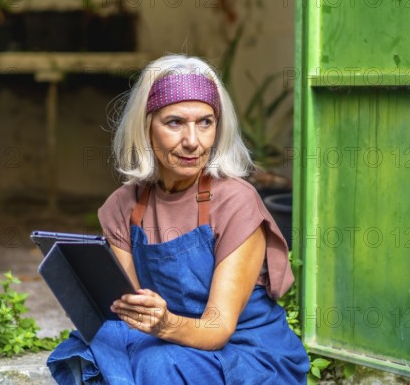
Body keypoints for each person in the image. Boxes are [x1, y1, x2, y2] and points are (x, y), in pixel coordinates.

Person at [47, 54, 310, 384]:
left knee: (158, 364)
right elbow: (127, 310)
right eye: (174, 123)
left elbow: (217, 329)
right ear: (146, 128)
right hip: (166, 340)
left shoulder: (236, 201)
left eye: (205, 122)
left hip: (245, 351)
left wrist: (165, 324)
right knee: (98, 346)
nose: (193, 141)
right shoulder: (124, 204)